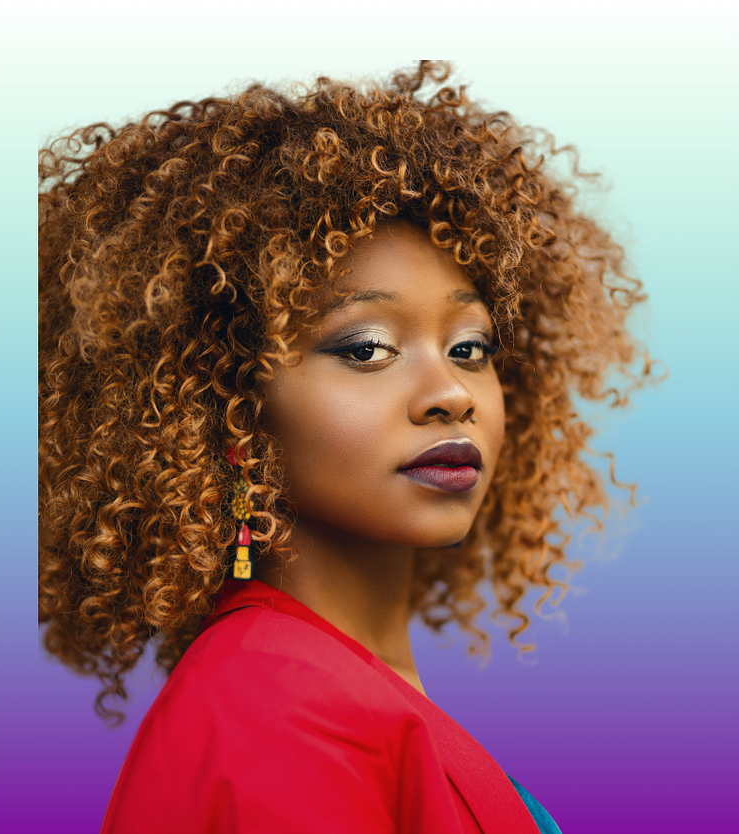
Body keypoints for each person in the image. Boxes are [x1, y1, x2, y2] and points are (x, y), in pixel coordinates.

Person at [38, 61, 652, 833]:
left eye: (470, 347)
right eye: (366, 349)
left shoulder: (333, 684)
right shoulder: (271, 709)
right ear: (230, 410)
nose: (451, 392)